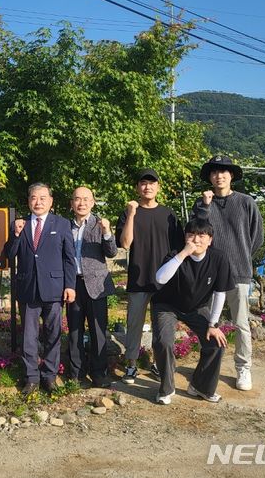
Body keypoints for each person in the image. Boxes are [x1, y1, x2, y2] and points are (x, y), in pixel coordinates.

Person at [192, 155, 264, 391]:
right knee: (207, 322)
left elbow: (256, 237)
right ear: (210, 177)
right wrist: (204, 206)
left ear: (231, 175)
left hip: (239, 272)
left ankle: (243, 368)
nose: (219, 176)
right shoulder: (202, 203)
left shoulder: (246, 202)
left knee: (241, 324)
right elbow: (197, 234)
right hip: (209, 275)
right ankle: (209, 367)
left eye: (224, 171)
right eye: (214, 172)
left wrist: (240, 255)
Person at [151, 219, 234, 405]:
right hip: (166, 305)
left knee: (216, 343)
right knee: (163, 342)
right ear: (185, 237)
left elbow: (220, 292)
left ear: (210, 240)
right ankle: (166, 388)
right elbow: (160, 278)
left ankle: (200, 386)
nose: (196, 239)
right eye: (191, 235)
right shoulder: (175, 255)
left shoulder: (219, 258)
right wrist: (183, 254)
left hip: (197, 307)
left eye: (201, 235)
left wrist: (213, 324)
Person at [6, 183, 76, 395]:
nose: (38, 202)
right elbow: (10, 255)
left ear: (51, 201)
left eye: (42, 198)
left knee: (53, 334)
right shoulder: (20, 224)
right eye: (34, 198)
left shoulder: (62, 224)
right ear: (29, 201)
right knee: (29, 336)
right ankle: (32, 378)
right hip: (28, 289)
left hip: (54, 289)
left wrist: (70, 286)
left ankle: (50, 376)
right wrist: (16, 235)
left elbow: (69, 258)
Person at [116, 169, 183, 384]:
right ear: (137, 187)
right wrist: (132, 214)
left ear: (158, 187)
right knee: (134, 323)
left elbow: (179, 247)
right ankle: (131, 365)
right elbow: (125, 243)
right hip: (138, 278)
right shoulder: (129, 212)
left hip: (164, 281)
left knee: (161, 325)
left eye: (152, 183)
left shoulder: (169, 214)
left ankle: (158, 364)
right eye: (143, 183)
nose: (148, 187)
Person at [66, 186, 118, 388]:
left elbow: (112, 252)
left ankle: (99, 373)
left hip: (97, 285)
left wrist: (107, 232)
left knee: (98, 331)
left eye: (86, 199)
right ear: (72, 203)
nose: (82, 203)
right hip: (73, 285)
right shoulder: (65, 226)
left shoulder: (99, 224)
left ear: (93, 202)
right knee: (74, 331)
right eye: (77, 199)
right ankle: (76, 374)